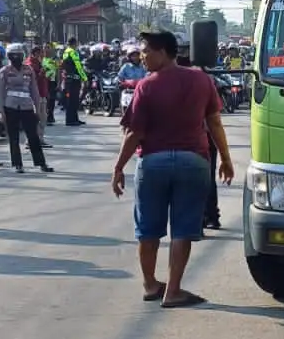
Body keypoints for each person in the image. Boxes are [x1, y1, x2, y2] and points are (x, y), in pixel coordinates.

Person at [112, 29, 234, 307]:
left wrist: (118, 167)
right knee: (183, 229)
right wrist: (225, 159)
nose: (142, 57)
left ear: (165, 52)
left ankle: (151, 284)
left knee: (148, 229)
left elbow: (134, 133)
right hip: (193, 162)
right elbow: (214, 122)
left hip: (153, 163)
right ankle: (174, 290)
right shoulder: (202, 79)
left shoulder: (147, 85)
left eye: (147, 51)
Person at [0, 44, 54, 174]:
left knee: (33, 136)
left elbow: (34, 90)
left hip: (27, 106)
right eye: (14, 55)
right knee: (14, 137)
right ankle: (18, 164)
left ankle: (41, 163)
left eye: (19, 54)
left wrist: (38, 108)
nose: (17, 57)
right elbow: (0, 93)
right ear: (9, 56)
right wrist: (1, 111)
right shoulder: (4, 71)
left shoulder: (28, 70)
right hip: (10, 107)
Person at [61, 37, 88, 126]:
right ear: (74, 43)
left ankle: (74, 119)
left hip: (68, 79)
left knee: (72, 100)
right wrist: (85, 78)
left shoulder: (65, 52)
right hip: (74, 79)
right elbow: (78, 66)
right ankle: (70, 120)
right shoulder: (73, 52)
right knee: (73, 100)